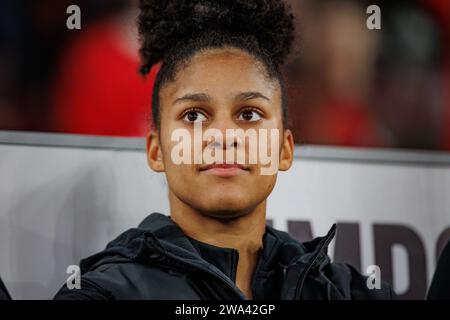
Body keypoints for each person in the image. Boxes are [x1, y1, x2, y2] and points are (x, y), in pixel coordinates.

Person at [54, 0, 393, 300]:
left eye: (249, 114)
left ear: (284, 150)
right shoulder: (104, 294)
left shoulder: (348, 292)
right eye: (194, 115)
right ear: (156, 151)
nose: (223, 136)